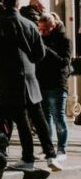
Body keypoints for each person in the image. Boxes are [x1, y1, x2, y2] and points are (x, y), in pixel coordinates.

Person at [0, 0, 62, 171]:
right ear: (19, 5)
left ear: (3, 4)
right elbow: (40, 54)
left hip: (9, 81)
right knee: (39, 118)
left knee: (21, 120)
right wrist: (29, 66)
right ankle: (51, 156)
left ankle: (27, 158)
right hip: (30, 79)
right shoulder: (31, 25)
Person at [37, 12, 71, 161]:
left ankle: (62, 149)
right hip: (42, 83)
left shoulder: (64, 40)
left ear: (53, 26)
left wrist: (47, 51)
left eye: (45, 29)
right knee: (45, 119)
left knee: (59, 118)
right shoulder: (40, 39)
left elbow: (64, 61)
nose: (42, 32)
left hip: (57, 84)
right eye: (40, 29)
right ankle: (48, 147)